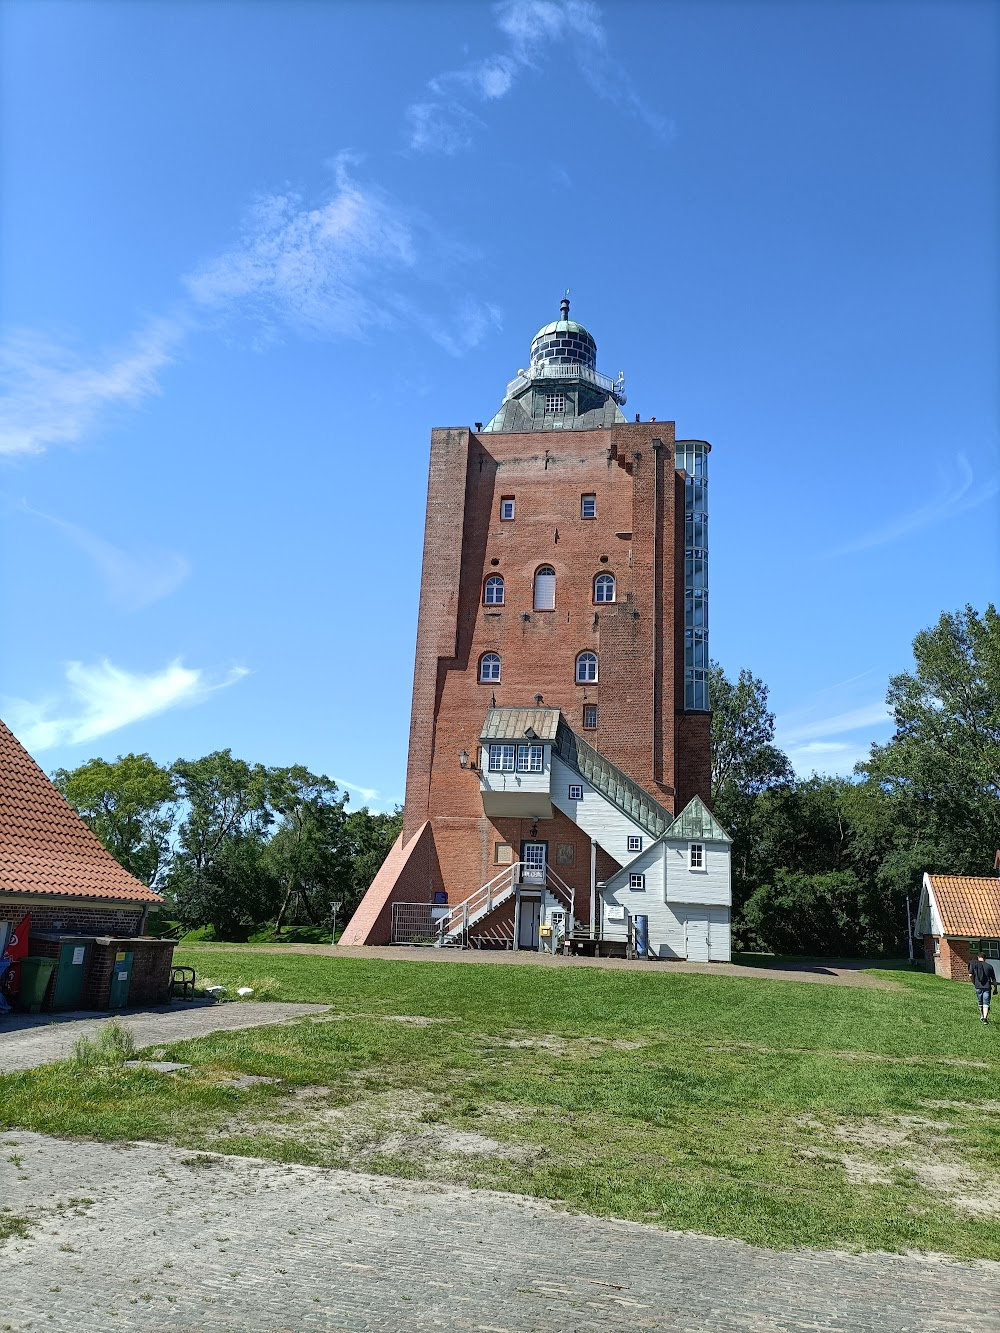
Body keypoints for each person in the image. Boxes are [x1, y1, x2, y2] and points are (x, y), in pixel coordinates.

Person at [969, 951, 997, 1023]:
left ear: (978, 957)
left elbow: (970, 975)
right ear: (985, 959)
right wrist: (995, 988)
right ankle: (985, 1018)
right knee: (986, 1003)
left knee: (980, 1002)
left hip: (978, 986)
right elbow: (993, 979)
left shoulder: (974, 964)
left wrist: (973, 982)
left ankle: (981, 1015)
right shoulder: (989, 966)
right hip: (987, 986)